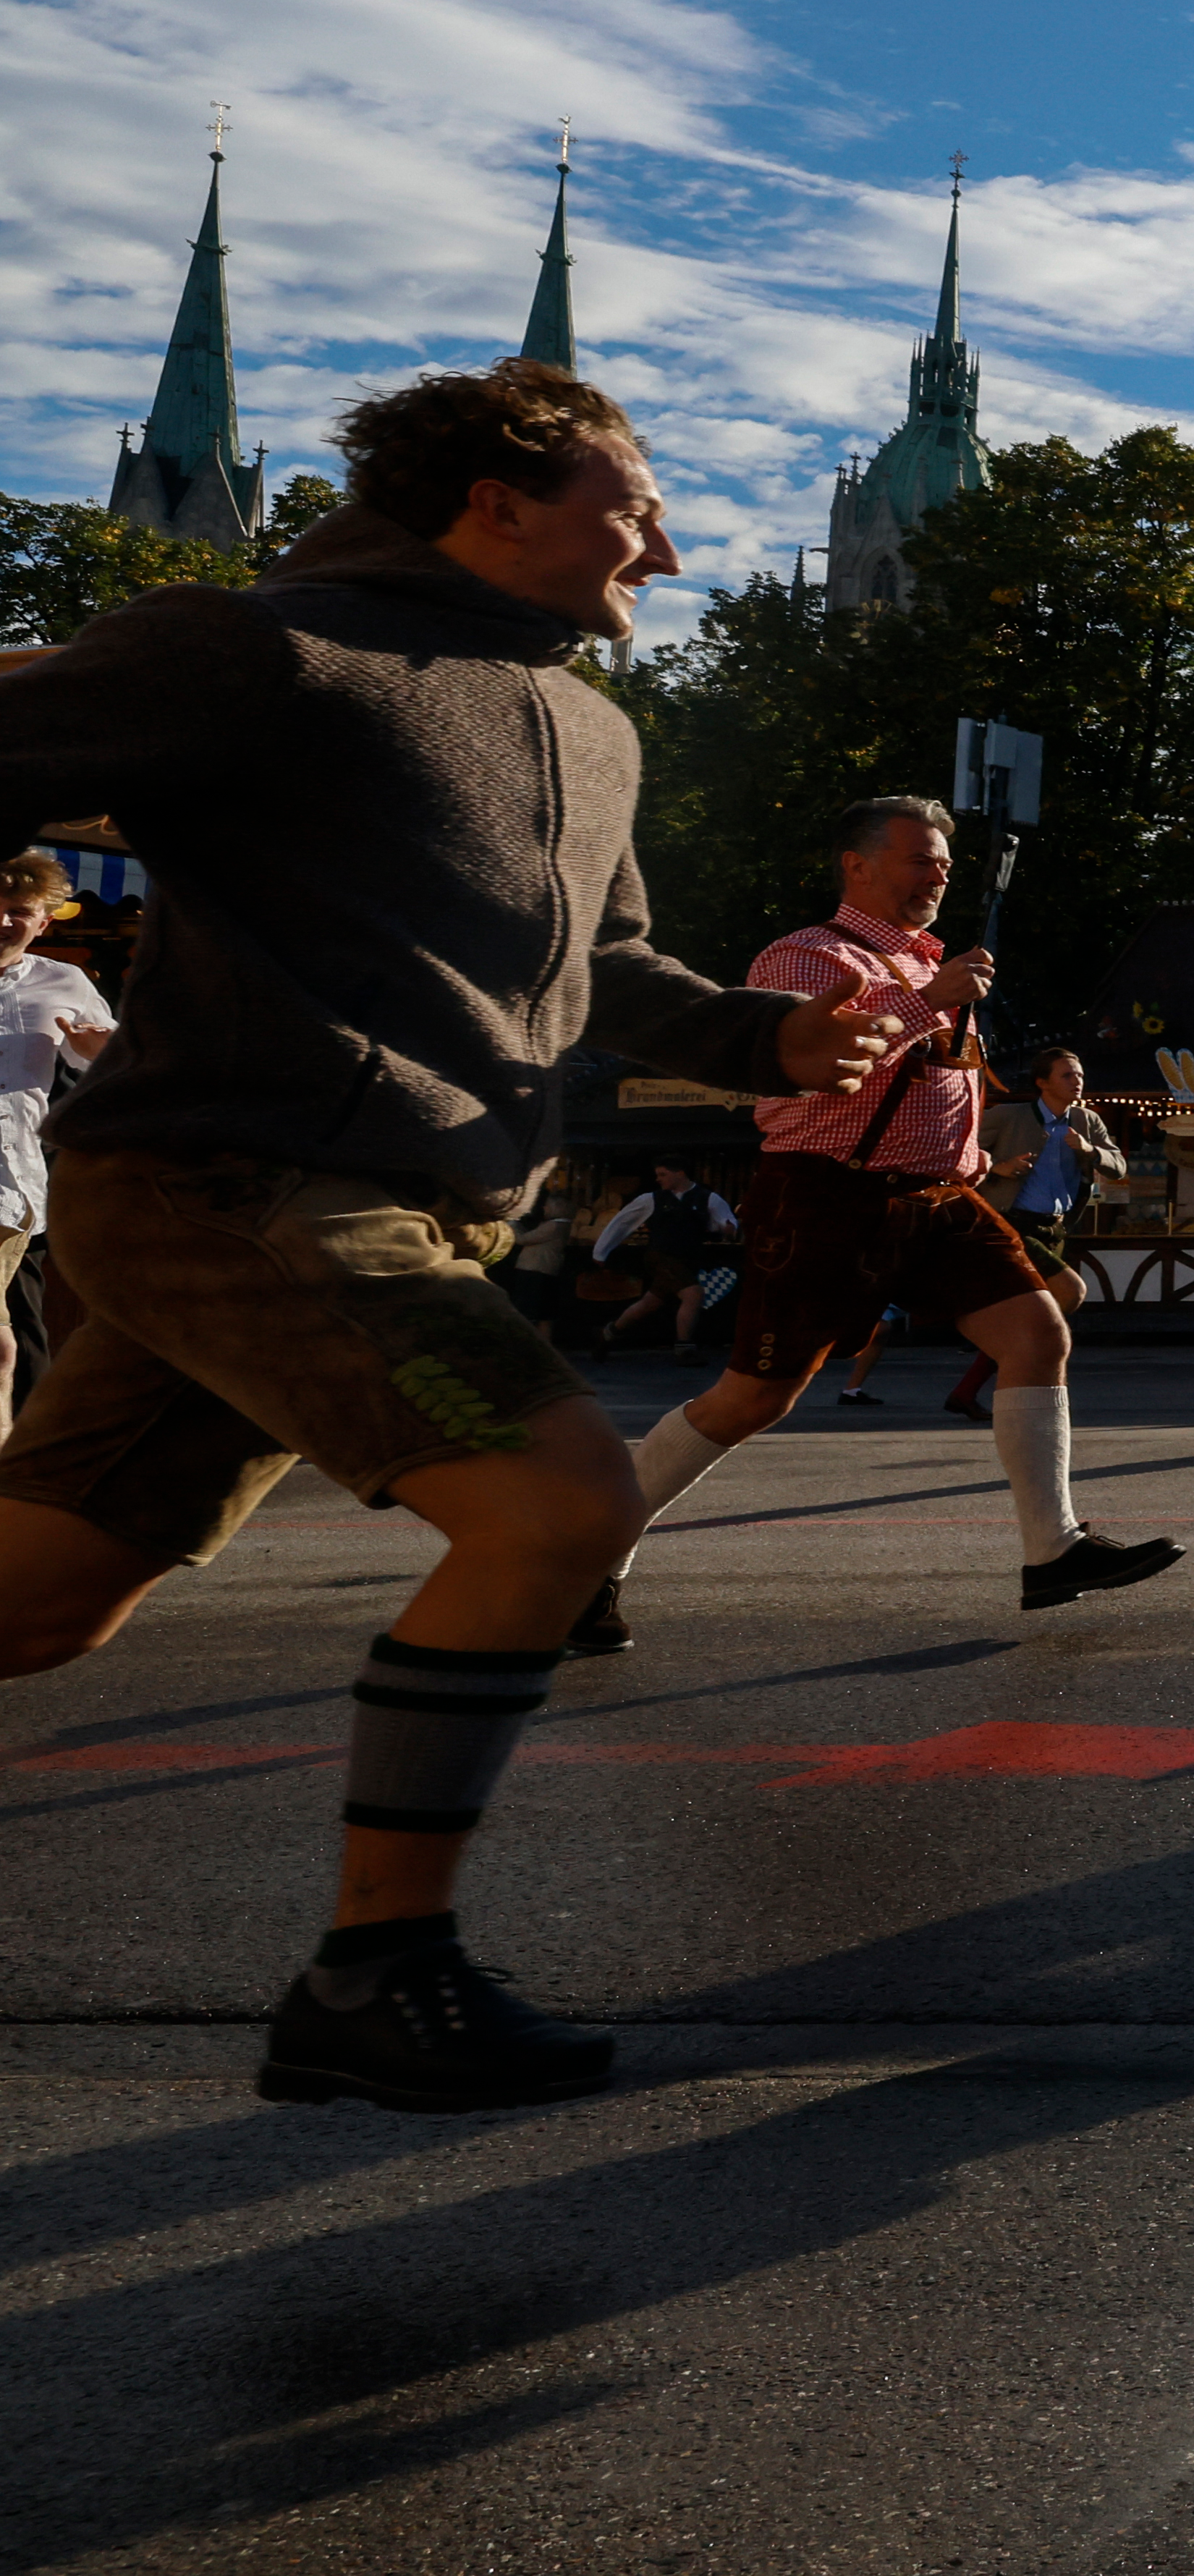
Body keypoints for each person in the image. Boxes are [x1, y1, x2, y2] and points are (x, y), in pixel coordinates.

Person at [0, 357, 908, 2108]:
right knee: (560, 1500)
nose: (663, 544)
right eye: (630, 506)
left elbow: (608, 970)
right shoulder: (261, 649)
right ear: (498, 503)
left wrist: (767, 1042)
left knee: (40, 1606)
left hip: (400, 1206)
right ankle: (377, 1972)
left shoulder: (591, 726)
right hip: (234, 1186)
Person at [611, 795, 1181, 1647]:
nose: (938, 875)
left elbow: (943, 1078)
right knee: (751, 1399)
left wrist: (970, 1153)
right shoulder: (808, 955)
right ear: (859, 865)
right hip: (825, 1193)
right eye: (920, 859)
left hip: (935, 1198)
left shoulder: (931, 963)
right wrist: (931, 1003)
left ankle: (1053, 1551)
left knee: (1037, 1330)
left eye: (944, 864)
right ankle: (588, 1555)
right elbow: (817, 1066)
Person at [0, 850, 119, 1439]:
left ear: (44, 922)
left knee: (20, 1335)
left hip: (17, 1190)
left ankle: (31, 1462)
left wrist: (102, 1057)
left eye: (19, 912)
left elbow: (116, 1076)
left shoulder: (64, 983)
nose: (3, 922)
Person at [947, 1045, 1119, 1423]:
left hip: (1055, 1228)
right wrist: (997, 1168)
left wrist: (1090, 1150)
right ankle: (1009, 1375)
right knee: (1070, 1293)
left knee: (1027, 1321)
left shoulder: (1087, 1120)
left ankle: (967, 1389)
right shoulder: (1009, 1116)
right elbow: (957, 1154)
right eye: (1067, 1075)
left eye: (1080, 1076)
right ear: (1042, 1083)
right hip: (1012, 1223)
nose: (1078, 1082)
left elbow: (1118, 1164)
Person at [595, 1154, 732, 1356]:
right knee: (694, 1294)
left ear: (680, 1173)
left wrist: (727, 1228)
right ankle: (684, 1349)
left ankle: (607, 1334)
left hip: (687, 1259)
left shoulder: (707, 1197)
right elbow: (622, 1222)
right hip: (661, 1256)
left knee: (649, 1303)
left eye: (663, 1174)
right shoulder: (651, 1199)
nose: (658, 1179)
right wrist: (601, 1251)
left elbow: (726, 1222)